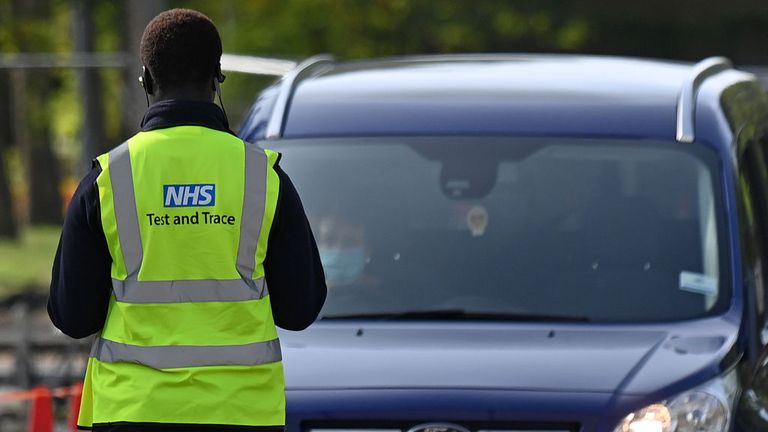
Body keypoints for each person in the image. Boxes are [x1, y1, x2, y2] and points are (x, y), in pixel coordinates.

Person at [47, 8, 326, 432]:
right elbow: (300, 309)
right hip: (241, 413)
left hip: (133, 411)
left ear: (146, 79)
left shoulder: (108, 179)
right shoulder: (263, 177)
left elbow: (73, 317)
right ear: (217, 78)